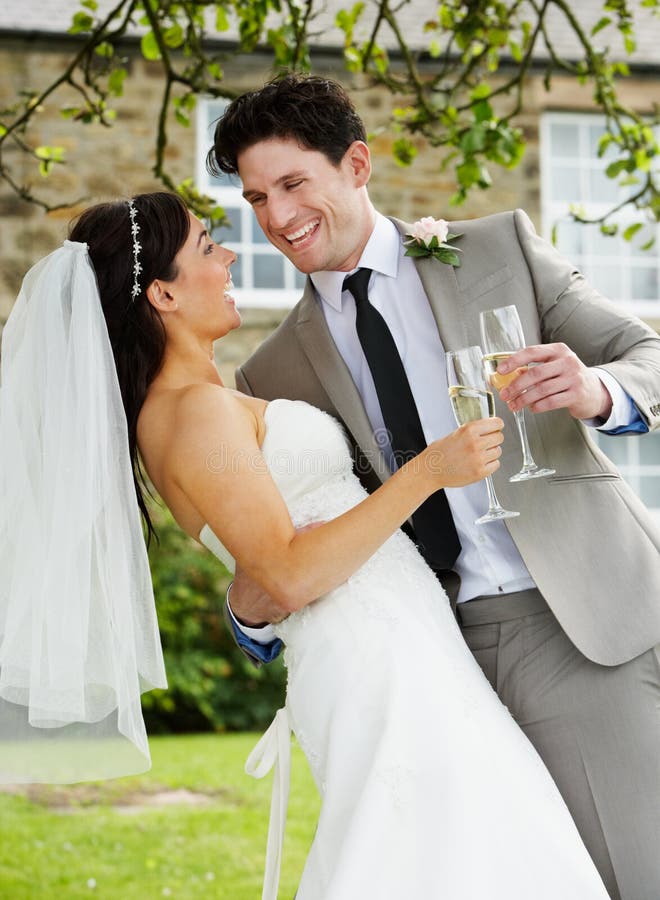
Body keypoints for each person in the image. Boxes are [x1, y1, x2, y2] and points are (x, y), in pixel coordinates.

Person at [0, 192, 610, 899]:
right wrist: (429, 472)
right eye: (208, 247)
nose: (230, 256)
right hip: (370, 661)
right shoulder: (191, 414)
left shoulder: (207, 402)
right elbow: (286, 576)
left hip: (406, 645)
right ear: (163, 293)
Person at [208, 74, 660, 900]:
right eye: (257, 197)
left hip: (581, 621)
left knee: (625, 876)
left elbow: (646, 354)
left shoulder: (498, 250)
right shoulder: (271, 373)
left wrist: (596, 389)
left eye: (294, 184)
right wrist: (250, 611)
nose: (276, 217)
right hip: (431, 661)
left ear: (357, 164)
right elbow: (288, 551)